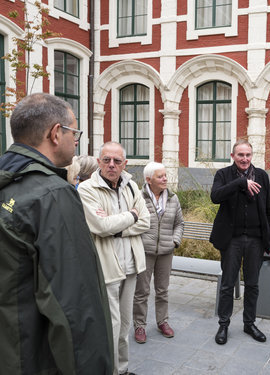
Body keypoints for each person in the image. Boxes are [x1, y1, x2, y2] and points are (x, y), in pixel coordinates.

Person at [0, 93, 113, 374]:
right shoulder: (51, 195)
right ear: (55, 133)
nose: (76, 141)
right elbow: (75, 307)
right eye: (74, 132)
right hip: (32, 358)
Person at [78, 141, 150, 375]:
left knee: (125, 325)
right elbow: (99, 225)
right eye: (106, 160)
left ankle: (122, 369)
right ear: (98, 162)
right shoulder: (87, 189)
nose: (111, 165)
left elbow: (146, 221)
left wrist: (116, 226)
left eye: (117, 161)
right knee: (110, 325)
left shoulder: (131, 186)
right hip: (107, 266)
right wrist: (131, 216)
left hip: (131, 264)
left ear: (124, 164)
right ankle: (107, 370)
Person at [210, 139, 270, 345]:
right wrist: (240, 183)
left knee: (253, 284)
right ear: (233, 156)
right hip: (232, 240)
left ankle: (249, 323)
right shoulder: (224, 175)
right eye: (240, 155)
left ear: (251, 156)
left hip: (255, 240)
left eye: (248, 155)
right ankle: (223, 325)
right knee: (228, 284)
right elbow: (215, 196)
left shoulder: (262, 176)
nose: (245, 159)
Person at [133, 162, 184, 343]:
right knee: (142, 291)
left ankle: (162, 321)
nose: (165, 179)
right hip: (144, 251)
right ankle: (139, 325)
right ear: (149, 180)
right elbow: (131, 222)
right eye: (160, 176)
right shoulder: (138, 197)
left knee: (162, 290)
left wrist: (174, 241)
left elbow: (179, 223)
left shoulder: (173, 198)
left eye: (165, 175)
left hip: (166, 252)